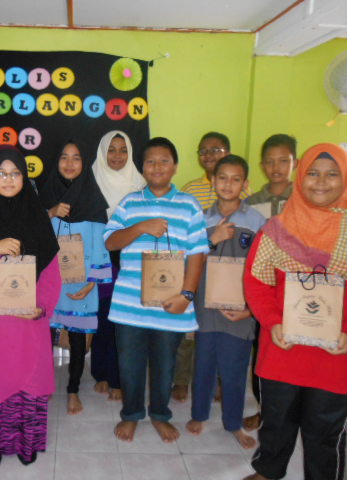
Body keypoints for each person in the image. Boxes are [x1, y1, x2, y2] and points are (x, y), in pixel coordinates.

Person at [243, 143, 347, 480]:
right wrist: (272, 322)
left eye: (332, 174)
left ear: (346, 178)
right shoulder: (276, 229)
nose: (321, 182)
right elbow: (257, 282)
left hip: (337, 353)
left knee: (324, 434)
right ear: (301, 176)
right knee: (276, 422)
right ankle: (268, 471)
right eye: (313, 173)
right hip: (283, 347)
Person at [0, 146, 62, 468]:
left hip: (27, 317)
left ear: (24, 177)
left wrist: (41, 307)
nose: (8, 179)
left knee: (27, 379)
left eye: (15, 173)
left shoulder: (37, 217)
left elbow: (51, 273)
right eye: (1, 173)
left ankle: (25, 444)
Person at [104, 137, 208, 443]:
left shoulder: (189, 205)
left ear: (175, 166)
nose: (157, 166)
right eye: (150, 161)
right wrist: (140, 227)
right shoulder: (130, 203)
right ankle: (132, 414)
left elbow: (198, 254)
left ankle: (160, 414)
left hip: (171, 303)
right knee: (130, 365)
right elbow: (110, 242)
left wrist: (187, 295)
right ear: (142, 167)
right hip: (129, 306)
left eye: (164, 161)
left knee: (165, 364)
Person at [184, 155, 265, 449]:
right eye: (222, 178)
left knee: (234, 370)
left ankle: (233, 423)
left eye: (235, 179)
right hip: (206, 308)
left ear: (245, 184)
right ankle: (199, 415)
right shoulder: (200, 219)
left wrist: (250, 310)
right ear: (212, 181)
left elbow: (264, 267)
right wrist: (212, 238)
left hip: (240, 311)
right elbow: (188, 260)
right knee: (203, 365)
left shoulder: (257, 221)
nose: (228, 184)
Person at [174, 131, 250, 403]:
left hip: (229, 267)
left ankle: (218, 382)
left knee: (222, 326)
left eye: (216, 150)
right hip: (199, 265)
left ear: (227, 152)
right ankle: (181, 380)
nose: (208, 155)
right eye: (203, 150)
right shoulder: (190, 188)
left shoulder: (244, 190)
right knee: (189, 330)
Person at [40, 140, 111, 415]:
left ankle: (73, 390)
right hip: (50, 281)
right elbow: (32, 233)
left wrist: (92, 282)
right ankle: (44, 383)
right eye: (64, 157)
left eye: (76, 158)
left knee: (79, 338)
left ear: (84, 163)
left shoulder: (93, 199)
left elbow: (101, 244)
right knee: (44, 335)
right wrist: (51, 212)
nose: (69, 163)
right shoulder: (45, 195)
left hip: (82, 282)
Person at [243, 133, 297, 431]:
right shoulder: (251, 204)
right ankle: (264, 410)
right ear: (262, 165)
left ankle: (289, 414)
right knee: (262, 351)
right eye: (270, 161)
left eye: (283, 161)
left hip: (297, 290)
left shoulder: (305, 201)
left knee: (294, 353)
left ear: (294, 163)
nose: (276, 167)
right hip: (262, 289)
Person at [90, 130, 146, 401]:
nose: (117, 156)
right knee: (103, 317)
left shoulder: (140, 185)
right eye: (111, 149)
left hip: (130, 259)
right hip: (100, 257)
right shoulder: (91, 181)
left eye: (123, 150)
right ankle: (101, 372)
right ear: (103, 152)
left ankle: (118, 377)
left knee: (124, 320)